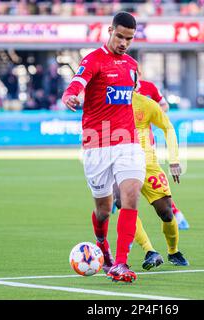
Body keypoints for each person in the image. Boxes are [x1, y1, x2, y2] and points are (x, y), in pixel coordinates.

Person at [61, 12, 145, 283]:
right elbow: (78, 82)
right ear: (110, 31)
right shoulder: (93, 59)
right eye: (120, 36)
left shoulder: (132, 65)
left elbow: (135, 97)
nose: (124, 42)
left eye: (129, 38)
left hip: (128, 142)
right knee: (104, 209)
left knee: (131, 196)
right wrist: (69, 94)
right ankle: (103, 245)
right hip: (96, 143)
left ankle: (121, 263)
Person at [132, 69, 190, 230]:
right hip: (121, 147)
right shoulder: (116, 93)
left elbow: (164, 105)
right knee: (124, 196)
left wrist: (154, 114)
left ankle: (175, 213)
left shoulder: (149, 88)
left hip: (146, 145)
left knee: (155, 190)